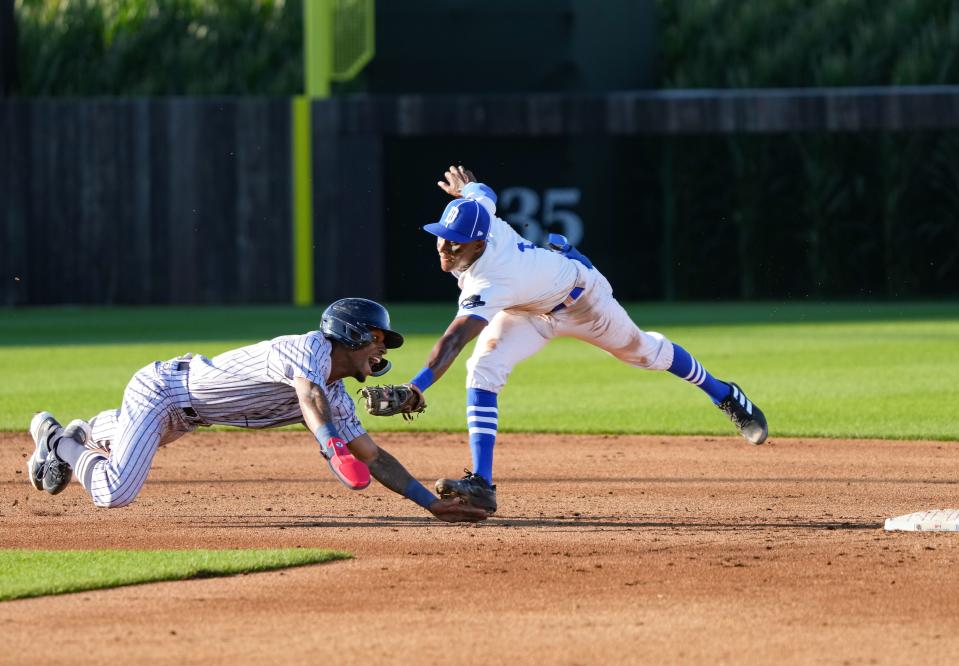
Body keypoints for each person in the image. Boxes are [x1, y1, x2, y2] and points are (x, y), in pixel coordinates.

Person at [379, 166, 768, 513]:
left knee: (644, 353)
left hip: (583, 303)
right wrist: (469, 188)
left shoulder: (491, 278)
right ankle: (482, 484)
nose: (445, 248)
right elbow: (486, 195)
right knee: (484, 366)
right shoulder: (481, 220)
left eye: (456, 242)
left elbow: (452, 340)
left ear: (480, 244)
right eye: (442, 237)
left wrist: (416, 387)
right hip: (527, 310)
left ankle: (725, 394)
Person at [25, 297, 489, 523]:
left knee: (131, 443)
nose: (381, 349)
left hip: (187, 414)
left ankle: (88, 433)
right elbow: (308, 398)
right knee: (114, 491)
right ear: (347, 335)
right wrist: (332, 448)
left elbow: (374, 457)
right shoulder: (304, 351)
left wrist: (430, 504)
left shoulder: (339, 396)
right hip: (163, 390)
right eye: (376, 338)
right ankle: (60, 442)